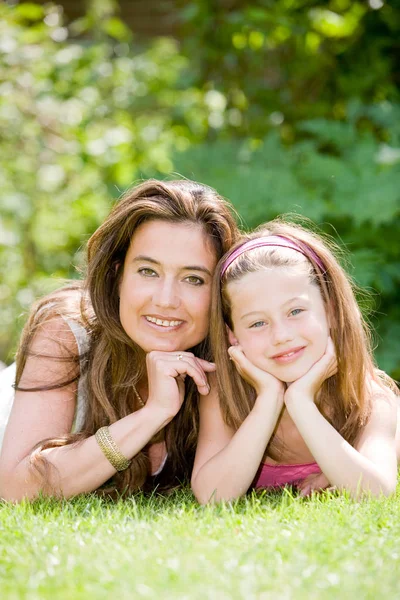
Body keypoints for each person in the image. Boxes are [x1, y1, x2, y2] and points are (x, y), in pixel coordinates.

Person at [0, 179, 240, 501]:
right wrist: (153, 413)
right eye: (148, 272)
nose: (167, 300)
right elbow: (14, 490)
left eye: (193, 279)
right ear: (118, 275)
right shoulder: (67, 332)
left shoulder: (225, 348)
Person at [192, 219, 399, 503]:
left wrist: (301, 401)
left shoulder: (369, 397)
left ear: (330, 310)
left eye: (296, 311)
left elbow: (375, 494)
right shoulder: (222, 393)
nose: (281, 336)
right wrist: (269, 398)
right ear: (232, 335)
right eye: (257, 323)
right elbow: (212, 496)